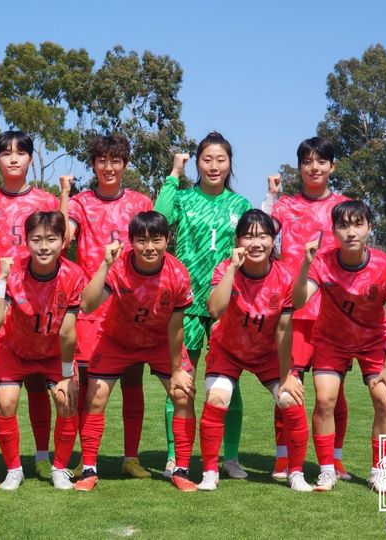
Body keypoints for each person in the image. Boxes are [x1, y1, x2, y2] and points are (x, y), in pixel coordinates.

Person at [0, 131, 71, 480]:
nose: (13, 158)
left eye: (21, 153)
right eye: (5, 153)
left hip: (35, 301)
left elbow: (62, 237)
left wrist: (65, 197)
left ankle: (42, 455)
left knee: (39, 383)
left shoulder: (43, 199)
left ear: (30, 159)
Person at [75, 211, 198, 492]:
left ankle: (182, 468)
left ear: (167, 240)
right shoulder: (118, 268)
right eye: (141, 240)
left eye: (156, 239)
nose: (149, 247)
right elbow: (87, 305)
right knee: (96, 396)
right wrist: (104, 266)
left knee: (183, 393)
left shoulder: (178, 274)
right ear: (131, 242)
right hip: (117, 340)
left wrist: (178, 370)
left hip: (159, 343)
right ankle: (89, 469)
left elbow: (176, 326)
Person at [155, 132, 252, 478]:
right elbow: (158, 217)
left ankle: (230, 457)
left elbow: (257, 242)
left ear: (229, 165)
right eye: (206, 159)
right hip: (186, 304)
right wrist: (173, 173)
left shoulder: (240, 206)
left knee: (228, 383)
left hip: (225, 305)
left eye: (220, 159)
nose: (213, 165)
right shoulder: (183, 198)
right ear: (197, 163)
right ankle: (173, 454)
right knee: (181, 381)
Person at [293, 200, 386, 492]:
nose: (351, 232)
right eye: (343, 225)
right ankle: (327, 470)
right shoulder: (323, 262)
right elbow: (298, 300)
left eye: (358, 224)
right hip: (332, 341)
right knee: (325, 400)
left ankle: (380, 471)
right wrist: (305, 263)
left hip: (374, 342)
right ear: (333, 231)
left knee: (384, 400)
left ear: (370, 227)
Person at [197, 209, 312, 492]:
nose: (256, 242)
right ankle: (210, 470)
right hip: (228, 349)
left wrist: (286, 376)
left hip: (268, 354)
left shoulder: (285, 274)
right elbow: (214, 309)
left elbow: (285, 329)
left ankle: (295, 473)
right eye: (249, 236)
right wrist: (233, 269)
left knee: (291, 401)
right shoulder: (226, 268)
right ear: (238, 240)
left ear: (273, 241)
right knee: (217, 398)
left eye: (263, 235)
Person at [262, 137, 352, 480]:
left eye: (321, 161)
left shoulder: (344, 206)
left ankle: (335, 458)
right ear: (299, 167)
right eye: (307, 162)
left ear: (332, 166)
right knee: (288, 385)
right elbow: (259, 229)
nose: (314, 168)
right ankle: (283, 457)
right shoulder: (285, 205)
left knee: (334, 392)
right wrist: (271, 195)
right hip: (293, 310)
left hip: (333, 314)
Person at [67, 134, 154, 479]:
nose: (109, 167)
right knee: (88, 387)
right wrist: (63, 196)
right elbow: (64, 235)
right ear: (93, 164)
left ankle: (130, 457)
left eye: (115, 161)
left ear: (125, 165)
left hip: (129, 306)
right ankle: (84, 458)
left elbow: (152, 245)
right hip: (90, 306)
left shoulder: (140, 202)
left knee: (133, 383)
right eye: (102, 161)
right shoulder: (80, 203)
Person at [0, 211, 83, 490]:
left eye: (51, 239)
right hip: (16, 350)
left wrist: (67, 375)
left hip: (54, 352)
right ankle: (14, 470)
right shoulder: (14, 272)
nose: (44, 246)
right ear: (26, 241)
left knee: (67, 400)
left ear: (63, 241)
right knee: (5, 402)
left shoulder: (73, 275)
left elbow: (67, 332)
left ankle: (59, 469)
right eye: (36, 239)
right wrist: (2, 279)